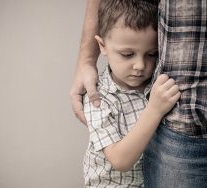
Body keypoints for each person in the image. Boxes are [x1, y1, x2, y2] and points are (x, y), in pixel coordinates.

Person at [70, 0, 207, 187]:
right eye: (127, 54)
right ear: (102, 46)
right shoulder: (97, 98)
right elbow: (120, 161)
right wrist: (155, 110)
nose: (140, 66)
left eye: (151, 54)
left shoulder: (153, 84)